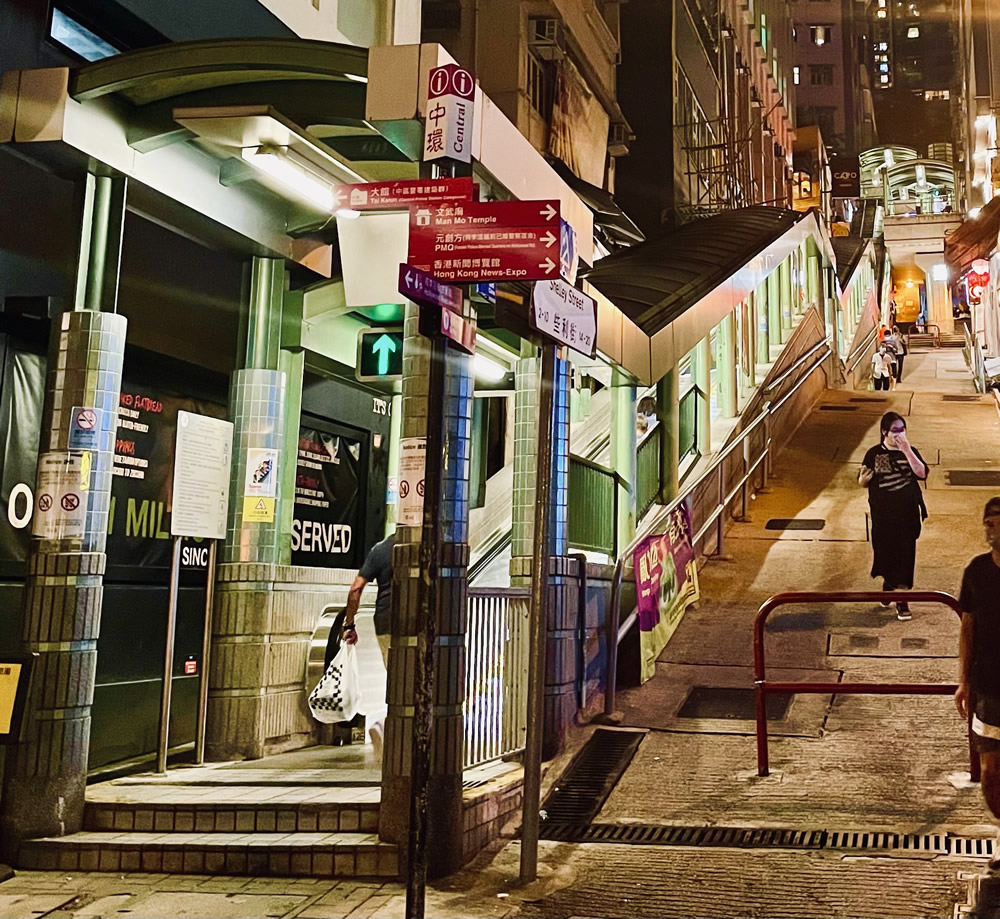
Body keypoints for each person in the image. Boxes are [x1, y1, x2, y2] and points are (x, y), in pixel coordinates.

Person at [955, 497, 1000, 872]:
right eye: (990, 522)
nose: (995, 529)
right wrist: (963, 681)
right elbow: (967, 626)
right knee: (990, 770)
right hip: (988, 687)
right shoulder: (976, 571)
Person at [858, 412, 928, 620]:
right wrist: (863, 479)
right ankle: (889, 585)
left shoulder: (911, 451)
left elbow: (922, 473)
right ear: (884, 432)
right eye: (895, 430)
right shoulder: (874, 453)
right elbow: (863, 479)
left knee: (906, 555)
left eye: (903, 430)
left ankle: (902, 600)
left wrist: (907, 450)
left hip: (907, 515)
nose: (900, 434)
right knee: (886, 554)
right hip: (883, 516)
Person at [341, 532, 396, 757]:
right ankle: (386, 727)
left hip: (386, 622)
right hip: (421, 622)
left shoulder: (381, 548)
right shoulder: (430, 544)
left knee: (396, 681)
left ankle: (388, 728)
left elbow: (356, 588)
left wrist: (349, 624)